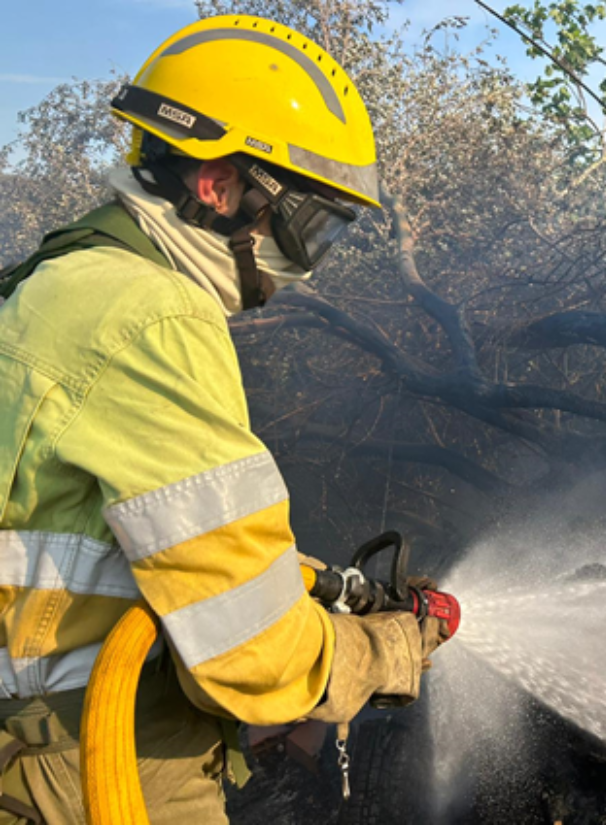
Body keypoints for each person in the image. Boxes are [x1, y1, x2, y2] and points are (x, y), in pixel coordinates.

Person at [0, 14, 447, 823]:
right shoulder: (152, 316)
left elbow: (114, 548)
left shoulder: (54, 281)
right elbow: (253, 656)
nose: (302, 263)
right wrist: (385, 651)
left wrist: (308, 583)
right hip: (93, 773)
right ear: (218, 187)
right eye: (306, 226)